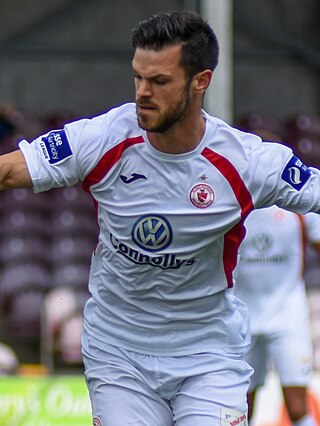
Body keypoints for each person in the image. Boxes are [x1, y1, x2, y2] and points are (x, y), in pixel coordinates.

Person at [1, 10, 320, 426]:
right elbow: (8, 170)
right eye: (138, 77)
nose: (142, 93)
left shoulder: (246, 162)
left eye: (159, 81)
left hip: (208, 354)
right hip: (120, 355)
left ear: (200, 81)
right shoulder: (102, 139)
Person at [234, 206, 320, 426]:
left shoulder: (298, 199)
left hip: (288, 316)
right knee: (240, 408)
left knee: (297, 407)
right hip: (241, 318)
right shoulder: (235, 199)